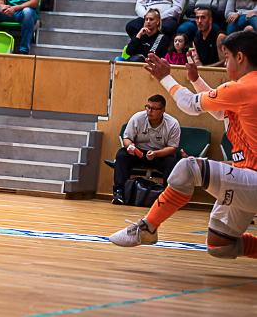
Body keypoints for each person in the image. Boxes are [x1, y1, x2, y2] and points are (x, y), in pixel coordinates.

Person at [109, 31, 257, 261]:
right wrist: (196, 80)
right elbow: (219, 111)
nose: (225, 63)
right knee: (221, 246)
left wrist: (165, 77)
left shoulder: (244, 88)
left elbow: (189, 105)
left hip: (253, 180)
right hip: (248, 176)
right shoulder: (245, 90)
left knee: (188, 168)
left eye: (226, 57)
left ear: (240, 58)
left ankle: (147, 228)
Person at [110, 94, 181, 205]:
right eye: (147, 107)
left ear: (163, 110)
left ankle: (167, 197)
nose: (149, 111)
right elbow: (127, 138)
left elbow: (172, 148)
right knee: (122, 154)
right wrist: (130, 146)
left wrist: (156, 154)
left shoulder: (172, 124)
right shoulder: (138, 118)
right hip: (139, 153)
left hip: (159, 154)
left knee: (172, 159)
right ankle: (119, 192)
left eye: (153, 108)